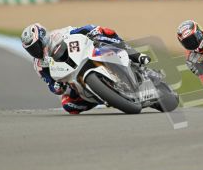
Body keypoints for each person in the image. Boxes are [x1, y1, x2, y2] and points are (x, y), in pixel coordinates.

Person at [21, 23, 151, 114]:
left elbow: (79, 30)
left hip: (84, 54)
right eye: (30, 50)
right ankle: (103, 96)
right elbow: (49, 82)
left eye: (35, 46)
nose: (34, 51)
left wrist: (92, 31)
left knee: (106, 33)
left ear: (43, 38)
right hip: (71, 77)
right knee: (68, 105)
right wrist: (56, 87)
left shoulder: (57, 35)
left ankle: (135, 55)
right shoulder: (38, 64)